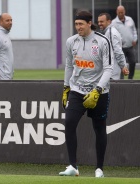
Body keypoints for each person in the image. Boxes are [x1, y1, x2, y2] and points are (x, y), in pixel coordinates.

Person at [59, 10, 114, 178]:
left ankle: (99, 169)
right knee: (69, 123)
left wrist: (97, 90)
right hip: (77, 90)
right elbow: (69, 65)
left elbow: (109, 69)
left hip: (99, 92)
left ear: (89, 23)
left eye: (81, 24)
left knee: (99, 128)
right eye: (76, 24)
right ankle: (73, 166)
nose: (78, 27)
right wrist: (66, 87)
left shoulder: (102, 41)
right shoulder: (71, 42)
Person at [98, 13, 129, 80]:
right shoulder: (109, 32)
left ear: (109, 21)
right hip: (111, 72)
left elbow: (117, 51)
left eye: (102, 21)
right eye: (99, 21)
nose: (99, 23)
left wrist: (123, 66)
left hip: (112, 73)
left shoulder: (110, 33)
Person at [112, 5, 137, 79]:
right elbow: (114, 35)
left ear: (124, 12)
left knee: (132, 62)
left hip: (130, 46)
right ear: (117, 12)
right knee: (121, 64)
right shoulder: (114, 23)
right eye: (119, 12)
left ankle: (130, 78)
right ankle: (121, 79)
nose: (120, 14)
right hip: (120, 48)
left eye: (122, 12)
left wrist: (135, 39)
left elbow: (134, 30)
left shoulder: (130, 19)